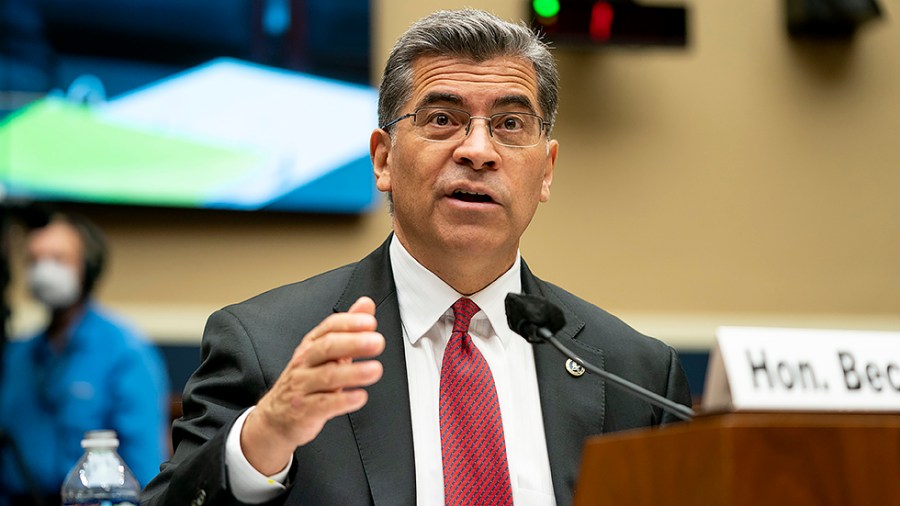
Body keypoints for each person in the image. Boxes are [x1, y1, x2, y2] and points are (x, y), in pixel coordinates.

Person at [142, 9, 692, 506]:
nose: (478, 151)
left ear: (545, 171)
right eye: (442, 120)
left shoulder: (633, 374)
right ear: (383, 160)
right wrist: (264, 438)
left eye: (509, 125)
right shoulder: (267, 346)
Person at [0, 212, 170, 504]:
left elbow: (147, 473)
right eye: (34, 260)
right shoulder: (18, 355)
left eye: (58, 259)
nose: (43, 270)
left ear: (87, 268)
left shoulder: (126, 352)